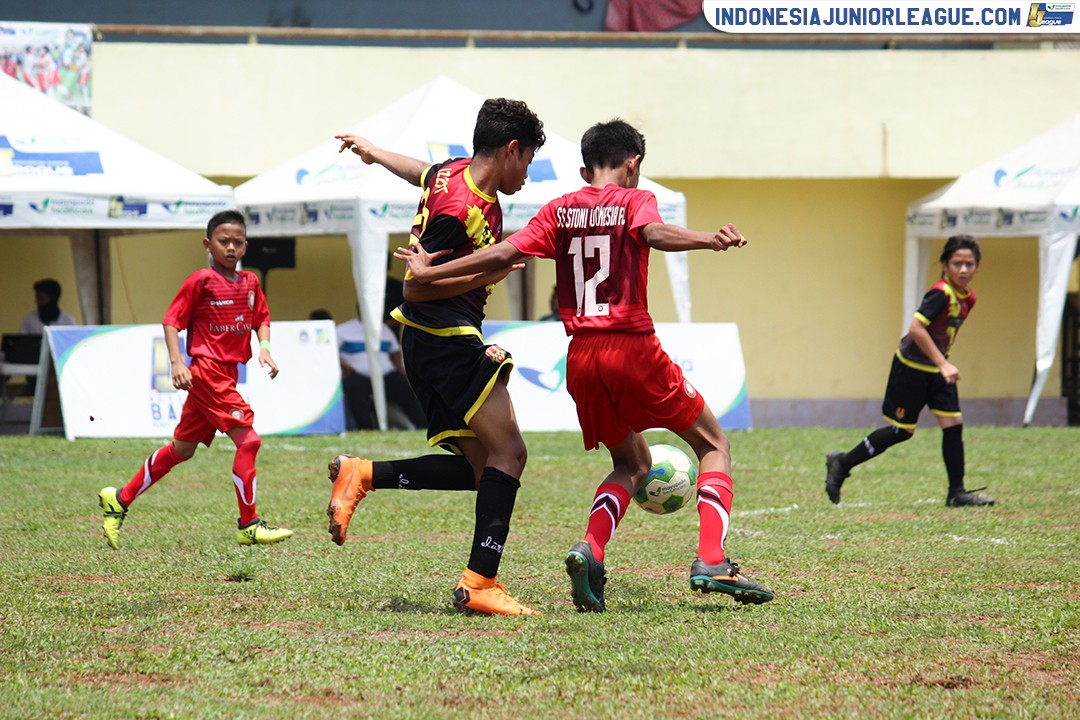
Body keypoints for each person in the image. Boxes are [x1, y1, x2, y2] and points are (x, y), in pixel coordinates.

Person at [397, 119, 774, 612]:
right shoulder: (634, 200)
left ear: (583, 167)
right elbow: (653, 232)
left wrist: (429, 270)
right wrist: (708, 239)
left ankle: (589, 550)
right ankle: (712, 560)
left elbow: (505, 252)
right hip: (631, 346)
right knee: (713, 443)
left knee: (632, 463)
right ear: (633, 164)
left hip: (580, 358)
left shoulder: (557, 209)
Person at [325, 97, 546, 616]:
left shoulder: (455, 175)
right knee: (509, 454)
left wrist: (377, 152)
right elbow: (418, 290)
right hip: (442, 334)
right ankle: (480, 585)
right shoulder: (459, 211)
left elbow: (421, 173)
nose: (528, 175)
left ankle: (363, 474)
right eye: (529, 161)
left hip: (433, 338)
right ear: (511, 149)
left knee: (481, 467)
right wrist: (488, 273)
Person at [97, 210, 293, 549]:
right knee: (248, 441)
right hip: (206, 372)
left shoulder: (250, 283)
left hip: (227, 374)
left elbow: (261, 317)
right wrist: (177, 362)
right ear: (207, 244)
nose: (231, 248)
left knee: (182, 450)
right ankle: (249, 524)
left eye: (238, 242)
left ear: (246, 246)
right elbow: (171, 322)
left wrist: (264, 349)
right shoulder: (199, 280)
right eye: (223, 241)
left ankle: (120, 499)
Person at [825, 234, 993, 507]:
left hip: (938, 369)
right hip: (912, 369)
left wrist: (941, 364)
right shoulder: (940, 293)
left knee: (953, 425)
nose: (963, 270)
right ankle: (842, 462)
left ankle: (957, 492)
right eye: (957, 263)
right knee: (901, 431)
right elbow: (916, 328)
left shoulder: (967, 297)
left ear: (977, 267)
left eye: (969, 264)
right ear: (945, 265)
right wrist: (943, 363)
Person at [336, 305, 426, 430]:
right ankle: (366, 428)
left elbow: (394, 351)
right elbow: (332, 352)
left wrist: (399, 368)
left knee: (405, 390)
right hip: (357, 375)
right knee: (356, 393)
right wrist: (344, 366)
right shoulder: (343, 330)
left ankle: (423, 424)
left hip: (386, 374)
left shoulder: (384, 329)